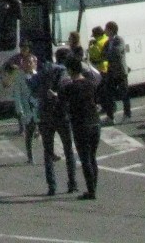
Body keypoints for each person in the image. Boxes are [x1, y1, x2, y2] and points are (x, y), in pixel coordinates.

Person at [59, 51, 102, 201]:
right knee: (93, 157)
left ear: (71, 70)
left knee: (85, 159)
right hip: (95, 123)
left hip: (81, 125)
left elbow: (62, 102)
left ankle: (91, 191)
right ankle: (93, 187)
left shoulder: (70, 87)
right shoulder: (90, 84)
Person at [36, 46, 77, 197]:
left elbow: (34, 88)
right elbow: (66, 92)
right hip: (61, 114)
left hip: (45, 115)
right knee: (68, 150)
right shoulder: (64, 72)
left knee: (48, 152)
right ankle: (72, 183)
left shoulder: (45, 70)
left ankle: (51, 186)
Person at [6, 48, 39, 162]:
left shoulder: (38, 76)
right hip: (27, 110)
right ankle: (30, 156)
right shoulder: (20, 77)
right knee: (29, 134)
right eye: (27, 62)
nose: (29, 64)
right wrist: (19, 110)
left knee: (44, 133)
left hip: (38, 110)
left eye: (32, 62)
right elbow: (17, 94)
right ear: (23, 64)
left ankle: (50, 153)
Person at [99, 22, 130, 122]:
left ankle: (127, 114)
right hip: (111, 71)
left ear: (111, 30)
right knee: (108, 94)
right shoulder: (108, 42)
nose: (105, 31)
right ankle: (110, 116)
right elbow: (102, 54)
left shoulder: (118, 40)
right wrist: (108, 54)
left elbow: (117, 52)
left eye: (106, 29)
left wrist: (108, 54)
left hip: (120, 71)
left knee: (124, 93)